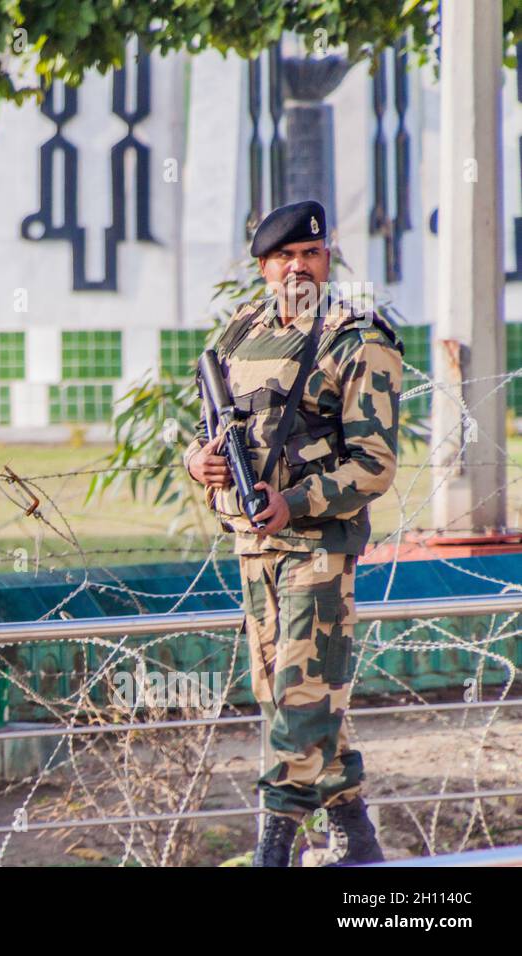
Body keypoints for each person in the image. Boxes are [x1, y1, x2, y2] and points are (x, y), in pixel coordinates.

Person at [182, 199, 404, 867]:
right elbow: (205, 432)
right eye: (285, 257)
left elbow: (375, 463)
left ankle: (271, 846)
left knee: (304, 695)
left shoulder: (357, 338)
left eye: (311, 254)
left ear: (326, 257)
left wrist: (296, 499)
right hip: (256, 545)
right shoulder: (239, 335)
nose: (299, 267)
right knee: (283, 692)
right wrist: (201, 463)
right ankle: (354, 834)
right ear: (263, 268)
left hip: (317, 546)